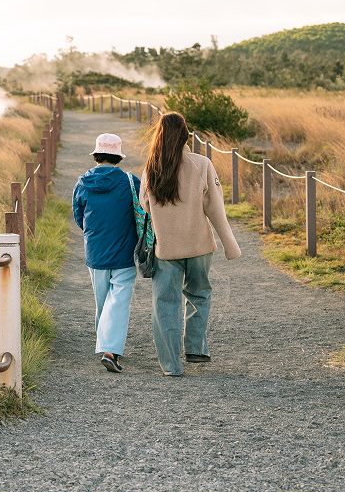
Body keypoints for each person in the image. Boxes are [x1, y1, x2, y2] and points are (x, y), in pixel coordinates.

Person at [137, 110, 241, 376]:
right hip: (199, 247)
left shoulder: (152, 168)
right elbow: (216, 208)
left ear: (159, 135)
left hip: (166, 249)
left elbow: (145, 205)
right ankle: (195, 348)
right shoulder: (201, 164)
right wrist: (230, 245)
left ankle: (172, 365)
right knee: (199, 295)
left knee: (165, 305)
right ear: (185, 135)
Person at [70, 132, 139, 373]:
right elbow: (142, 214)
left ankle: (105, 345)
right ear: (118, 156)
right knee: (118, 301)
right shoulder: (130, 181)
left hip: (95, 252)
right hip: (124, 252)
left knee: (103, 302)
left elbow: (79, 216)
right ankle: (110, 351)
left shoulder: (82, 182)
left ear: (97, 154)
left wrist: (94, 234)